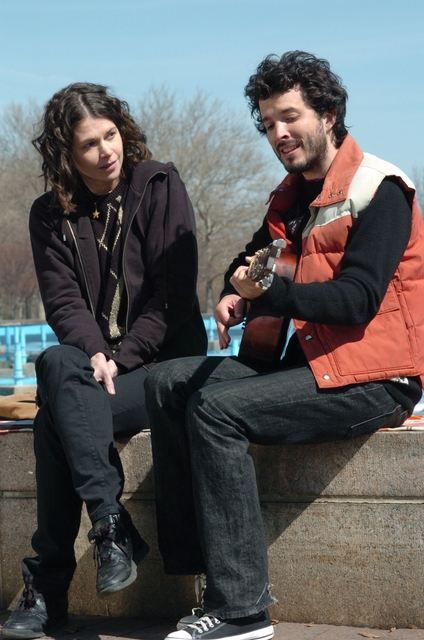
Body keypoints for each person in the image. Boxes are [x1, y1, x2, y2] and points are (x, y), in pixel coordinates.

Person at [144, 51, 424, 640]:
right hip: (312, 364)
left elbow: (357, 299)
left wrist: (269, 298)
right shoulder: (289, 198)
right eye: (268, 122)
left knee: (215, 409)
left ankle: (242, 611)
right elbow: (251, 264)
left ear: (329, 113)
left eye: (290, 117)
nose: (278, 133)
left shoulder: (382, 188)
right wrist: (232, 294)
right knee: (167, 382)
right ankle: (202, 576)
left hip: (379, 375)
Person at [2, 82, 207, 639]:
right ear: (67, 154)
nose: (105, 151)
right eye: (88, 144)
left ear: (124, 130)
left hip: (162, 366)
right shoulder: (50, 215)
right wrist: (95, 351)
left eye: (110, 135)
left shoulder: (159, 183)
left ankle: (48, 583)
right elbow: (63, 300)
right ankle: (110, 524)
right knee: (57, 363)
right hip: (95, 369)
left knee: (54, 420)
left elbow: (174, 294)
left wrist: (125, 355)